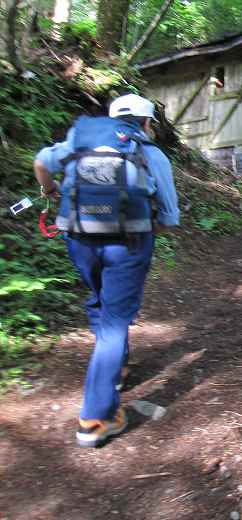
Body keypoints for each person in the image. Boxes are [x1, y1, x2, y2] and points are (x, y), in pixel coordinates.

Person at [33, 94, 180, 447]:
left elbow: (41, 161)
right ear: (146, 123)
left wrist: (49, 189)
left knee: (100, 302)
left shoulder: (78, 141)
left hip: (79, 239)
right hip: (128, 245)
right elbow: (170, 219)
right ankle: (96, 418)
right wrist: (145, 227)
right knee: (115, 320)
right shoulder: (152, 154)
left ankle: (118, 367)